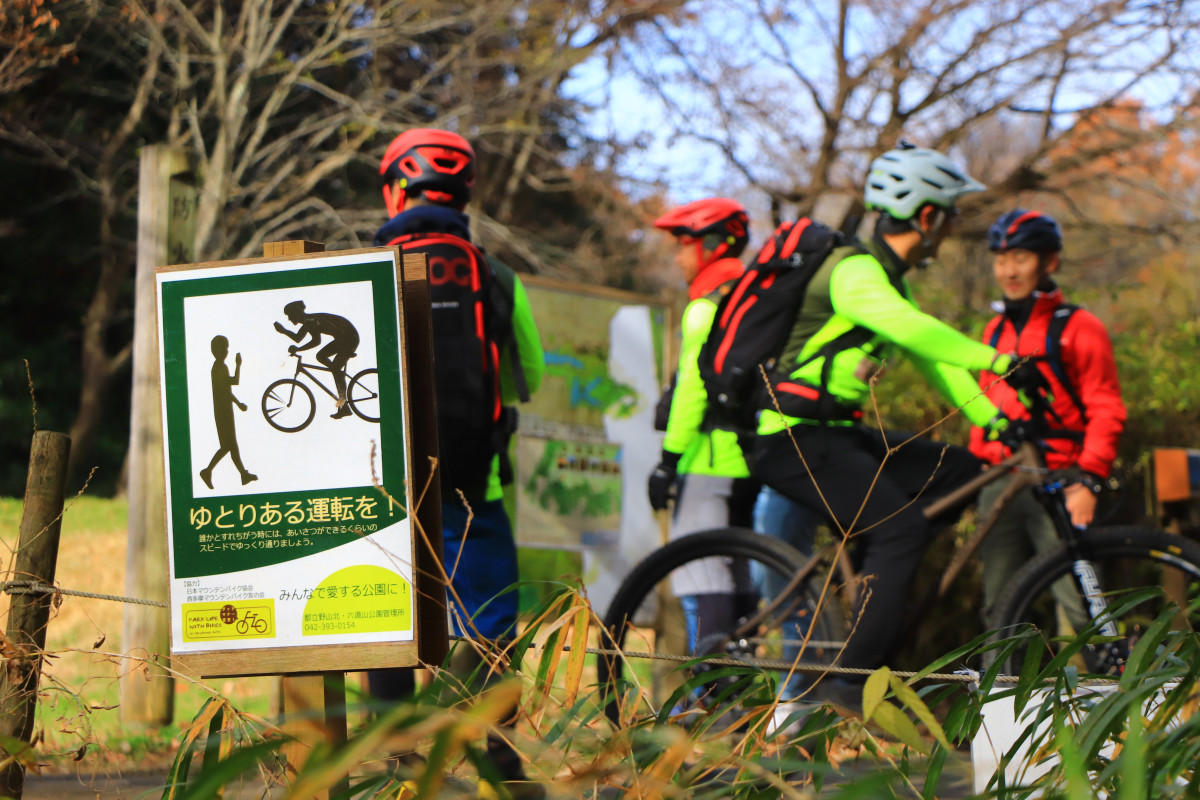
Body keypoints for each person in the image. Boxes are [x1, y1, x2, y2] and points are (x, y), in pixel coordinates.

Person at [751, 142, 1039, 711]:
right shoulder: (854, 272)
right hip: (790, 435)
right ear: (928, 217)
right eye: (951, 215)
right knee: (901, 530)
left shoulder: (890, 279)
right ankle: (848, 683)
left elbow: (937, 365)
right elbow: (914, 331)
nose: (953, 227)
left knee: (960, 470)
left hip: (835, 433)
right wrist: (999, 360)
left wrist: (996, 419)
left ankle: (881, 581)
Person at [366, 128, 545, 793]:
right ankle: (494, 756)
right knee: (489, 621)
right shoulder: (494, 274)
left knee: (384, 610)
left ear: (394, 191)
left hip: (383, 483)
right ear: (465, 195)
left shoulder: (361, 266)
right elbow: (527, 376)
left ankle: (397, 760)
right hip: (476, 483)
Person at [968, 209, 1126, 622]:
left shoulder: (1079, 326)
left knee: (1079, 604)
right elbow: (984, 403)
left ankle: (1094, 686)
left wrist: (1089, 478)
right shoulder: (994, 332)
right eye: (1001, 259)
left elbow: (1106, 405)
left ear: (1048, 262)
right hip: (1003, 479)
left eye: (1020, 258)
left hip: (1064, 477)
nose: (1008, 270)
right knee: (998, 606)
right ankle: (998, 688)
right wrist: (981, 466)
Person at [647, 198, 761, 654]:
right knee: (742, 577)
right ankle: (741, 700)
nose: (678, 257)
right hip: (753, 461)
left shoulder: (706, 308)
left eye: (685, 245)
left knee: (702, 581)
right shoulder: (753, 300)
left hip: (708, 459)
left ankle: (708, 705)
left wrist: (668, 462)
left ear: (712, 246)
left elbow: (693, 390)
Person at [273, 301, 360, 418]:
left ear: (296, 313)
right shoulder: (308, 322)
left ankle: (344, 404)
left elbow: (316, 341)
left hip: (348, 338)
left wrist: (298, 349)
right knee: (323, 359)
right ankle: (338, 374)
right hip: (346, 338)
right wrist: (284, 331)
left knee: (329, 363)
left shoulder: (311, 321)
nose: (289, 319)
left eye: (289, 315)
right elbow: (298, 338)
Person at [199, 335, 257, 488]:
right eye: (223, 348)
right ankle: (208, 470)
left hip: (225, 409)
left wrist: (238, 404)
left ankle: (243, 474)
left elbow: (226, 390)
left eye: (226, 348)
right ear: (215, 351)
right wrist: (238, 365)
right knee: (228, 446)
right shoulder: (219, 367)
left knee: (231, 446)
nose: (226, 351)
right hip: (222, 411)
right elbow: (234, 383)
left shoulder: (220, 367)